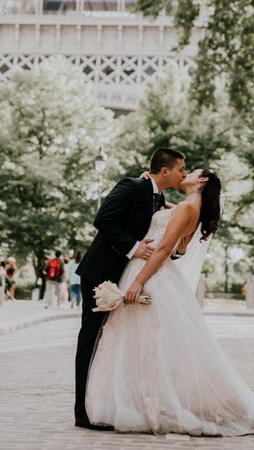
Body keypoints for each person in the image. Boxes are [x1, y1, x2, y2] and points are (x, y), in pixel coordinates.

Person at [84, 168, 254, 436]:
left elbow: (163, 248)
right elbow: (175, 242)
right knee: (149, 341)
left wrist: (138, 281)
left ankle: (143, 400)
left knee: (149, 342)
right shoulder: (188, 206)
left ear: (202, 180)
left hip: (150, 274)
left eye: (190, 171)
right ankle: (139, 398)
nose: (185, 173)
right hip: (154, 273)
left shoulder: (187, 207)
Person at [74, 147, 186, 429]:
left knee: (110, 343)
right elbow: (102, 219)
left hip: (123, 277)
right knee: (91, 339)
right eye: (180, 169)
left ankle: (102, 404)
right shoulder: (131, 185)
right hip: (100, 272)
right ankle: (82, 412)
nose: (183, 174)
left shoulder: (159, 199)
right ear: (165, 171)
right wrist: (133, 248)